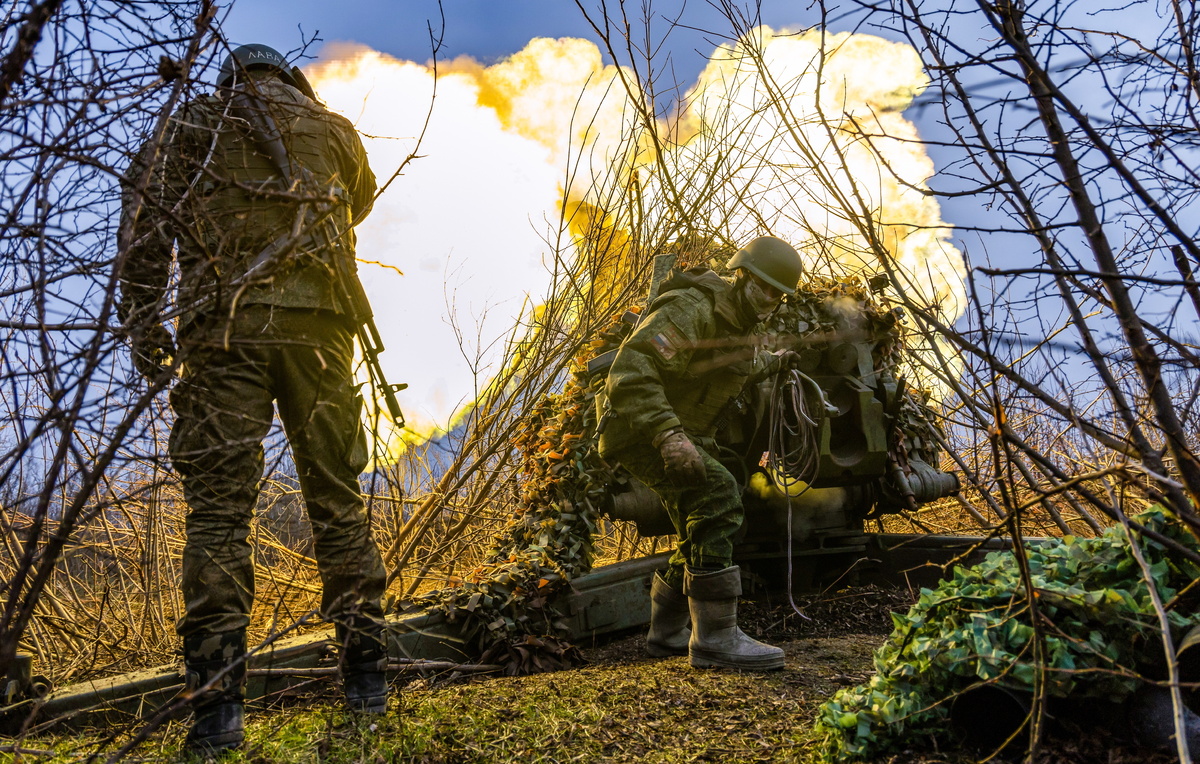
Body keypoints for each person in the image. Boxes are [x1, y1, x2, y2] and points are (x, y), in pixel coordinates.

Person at [118, 43, 390, 753]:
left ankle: (216, 713)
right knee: (337, 502)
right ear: (290, 80)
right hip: (320, 334)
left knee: (217, 518)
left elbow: (143, 229)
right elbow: (358, 202)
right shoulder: (332, 130)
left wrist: (145, 327)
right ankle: (368, 684)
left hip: (223, 336)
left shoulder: (189, 127)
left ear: (230, 80)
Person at [598, 236, 804, 671]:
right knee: (719, 498)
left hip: (683, 431)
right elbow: (631, 373)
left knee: (702, 522)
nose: (770, 299)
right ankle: (715, 640)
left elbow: (733, 368)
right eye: (764, 287)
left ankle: (668, 631)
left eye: (778, 294)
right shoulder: (693, 309)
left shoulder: (738, 322)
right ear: (743, 275)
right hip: (641, 429)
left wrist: (776, 360)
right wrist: (669, 436)